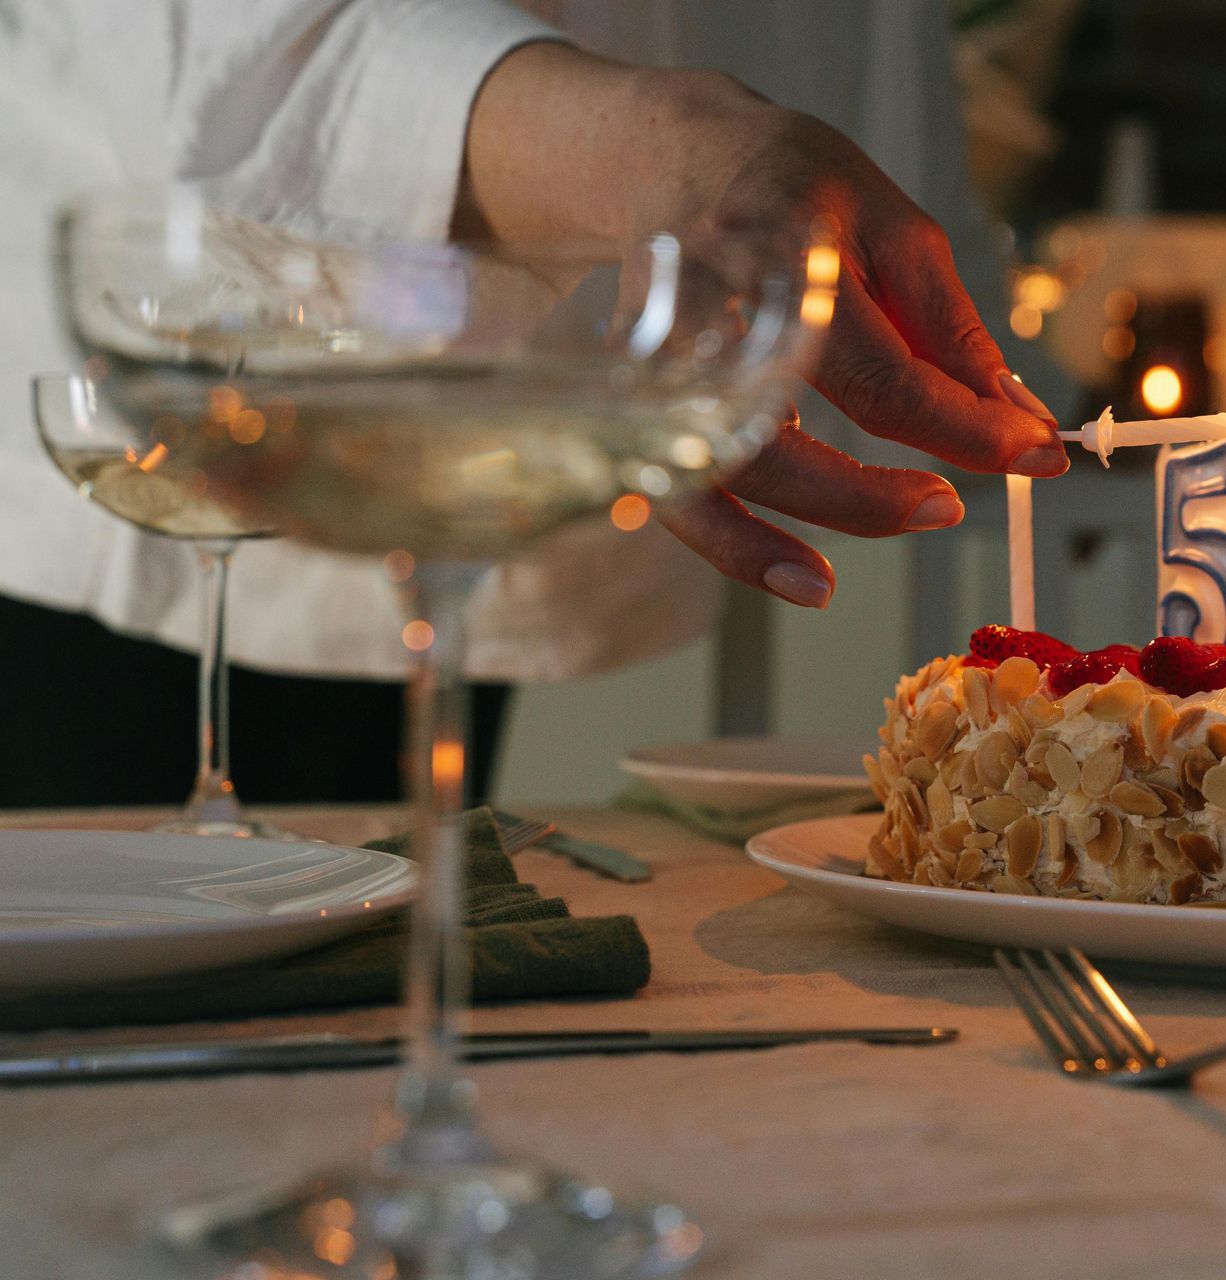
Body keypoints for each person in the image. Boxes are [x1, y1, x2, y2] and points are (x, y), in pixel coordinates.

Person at [0, 0, 1065, 804]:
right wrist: (664, 146)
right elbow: (209, 45)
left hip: (530, 409)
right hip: (159, 451)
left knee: (371, 982)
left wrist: (966, 348)